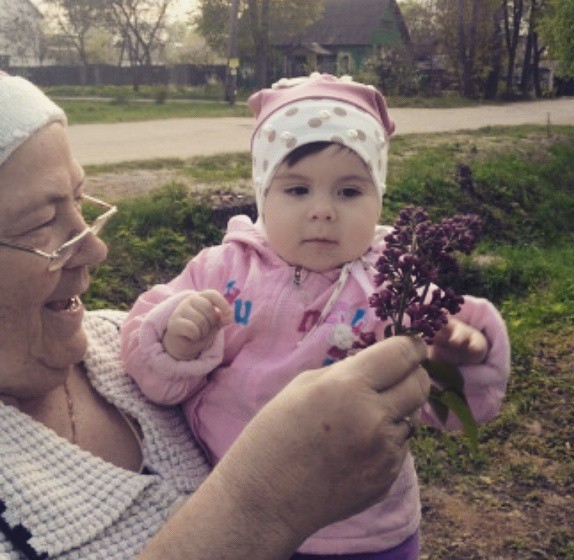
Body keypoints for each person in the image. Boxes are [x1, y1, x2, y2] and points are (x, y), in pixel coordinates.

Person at [0, 71, 435, 560]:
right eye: (42, 222)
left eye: (80, 201)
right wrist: (261, 509)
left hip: (375, 535)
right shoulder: (226, 272)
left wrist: (463, 356)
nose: (97, 249)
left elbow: (445, 382)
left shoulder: (107, 340)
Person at [121, 73, 511, 560]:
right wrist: (177, 340)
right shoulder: (222, 271)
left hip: (364, 531)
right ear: (263, 194)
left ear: (379, 197)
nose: (323, 210)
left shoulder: (394, 285)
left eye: (348, 192)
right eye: (297, 190)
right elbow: (146, 360)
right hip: (238, 518)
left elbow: (447, 408)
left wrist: (456, 357)